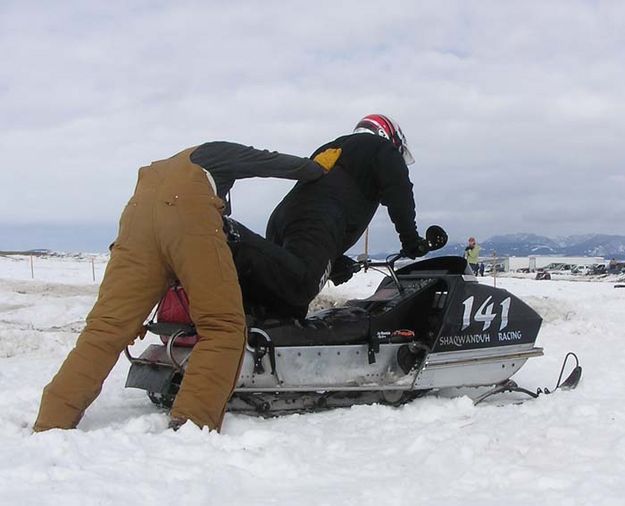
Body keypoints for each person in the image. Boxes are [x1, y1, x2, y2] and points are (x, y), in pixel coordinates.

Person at [33, 142, 328, 433]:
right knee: (222, 326)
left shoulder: (159, 169)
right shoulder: (213, 152)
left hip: (135, 219)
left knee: (107, 328)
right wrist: (315, 169)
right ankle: (190, 426)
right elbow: (266, 161)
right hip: (186, 213)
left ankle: (52, 419)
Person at [231, 114, 429, 319]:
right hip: (319, 219)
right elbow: (399, 191)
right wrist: (411, 240)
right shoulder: (381, 147)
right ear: (390, 135)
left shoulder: (334, 148)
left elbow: (323, 193)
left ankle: (251, 327)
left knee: (285, 300)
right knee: (303, 285)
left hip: (286, 216)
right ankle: (236, 238)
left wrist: (332, 260)